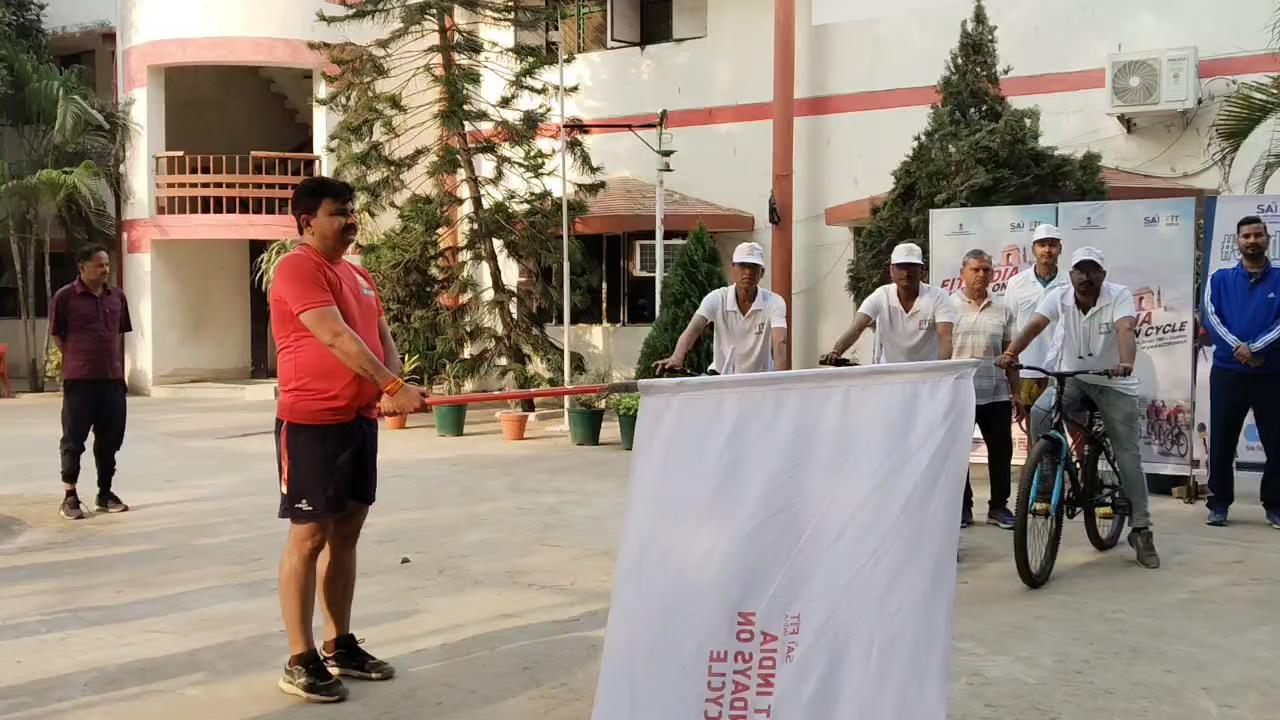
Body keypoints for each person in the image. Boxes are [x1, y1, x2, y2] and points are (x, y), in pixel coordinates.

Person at [270, 177, 427, 702]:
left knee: (347, 533)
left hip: (358, 419)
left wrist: (391, 385)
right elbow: (335, 336)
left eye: (352, 210)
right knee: (309, 536)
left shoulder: (358, 274)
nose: (351, 220)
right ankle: (300, 658)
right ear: (307, 221)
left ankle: (339, 643)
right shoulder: (298, 268)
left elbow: (381, 337)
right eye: (338, 212)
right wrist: (393, 387)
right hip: (312, 422)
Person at [997, 247, 1160, 569]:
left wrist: (1126, 362)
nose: (1086, 277)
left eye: (1092, 270)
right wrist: (1011, 353)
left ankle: (1141, 529)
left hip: (1113, 383)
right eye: (1079, 271)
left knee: (1127, 453)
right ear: (1070, 275)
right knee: (1041, 413)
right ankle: (1046, 477)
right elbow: (1035, 325)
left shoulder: (1118, 296)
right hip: (1072, 379)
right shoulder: (1059, 297)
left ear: (1103, 274)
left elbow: (1125, 329)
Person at [1201, 215, 1280, 529]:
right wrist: (1241, 349)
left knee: (1277, 442)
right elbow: (1211, 317)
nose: (1252, 241)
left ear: (1267, 239)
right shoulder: (1219, 279)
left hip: (1271, 373)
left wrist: (1257, 348)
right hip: (1228, 373)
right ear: (1237, 241)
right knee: (1222, 440)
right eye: (1246, 236)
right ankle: (1219, 503)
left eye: (1257, 235)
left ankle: (1275, 505)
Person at [49, 244, 132, 521]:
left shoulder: (117, 297)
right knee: (74, 440)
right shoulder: (65, 297)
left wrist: (115, 367)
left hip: (112, 381)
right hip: (80, 382)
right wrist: (77, 359)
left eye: (107, 264)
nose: (105, 269)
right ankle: (70, 497)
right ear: (82, 267)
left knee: (111, 440)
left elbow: (119, 334)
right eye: (99, 265)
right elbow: (57, 334)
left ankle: (104, 493)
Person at [951, 250, 1025, 529]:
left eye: (986, 269)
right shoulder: (947, 307)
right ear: (963, 273)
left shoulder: (1003, 309)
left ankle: (998, 507)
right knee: (958, 454)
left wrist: (1016, 392)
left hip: (996, 393)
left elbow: (1011, 354)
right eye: (975, 269)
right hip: (959, 395)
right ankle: (963, 507)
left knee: (1001, 453)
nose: (981, 274)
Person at [654, 241, 789, 374]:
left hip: (761, 379)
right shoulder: (717, 298)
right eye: (742, 265)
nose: (748, 271)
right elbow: (694, 329)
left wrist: (782, 379)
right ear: (733, 268)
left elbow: (780, 340)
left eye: (754, 266)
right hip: (722, 378)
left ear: (762, 272)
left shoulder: (774, 302)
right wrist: (677, 357)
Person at [822, 242, 956, 365]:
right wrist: (836, 351)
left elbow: (945, 338)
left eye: (912, 267)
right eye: (900, 267)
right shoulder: (881, 295)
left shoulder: (938, 296)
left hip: (927, 374)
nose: (906, 273)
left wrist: (941, 371)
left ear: (922, 271)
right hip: (891, 373)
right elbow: (856, 327)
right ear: (891, 271)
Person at [1004, 223, 1068, 412]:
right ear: (1033, 249)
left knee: (1063, 421)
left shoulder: (1070, 283)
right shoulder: (1016, 283)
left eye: (1052, 245)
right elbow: (1010, 325)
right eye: (1042, 245)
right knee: (1031, 422)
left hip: (1061, 368)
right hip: (1026, 367)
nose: (1047, 250)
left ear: (1060, 249)